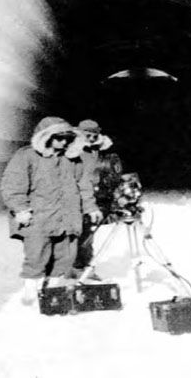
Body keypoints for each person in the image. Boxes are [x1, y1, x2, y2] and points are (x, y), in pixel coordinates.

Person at [1, 116, 103, 304]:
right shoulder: (27, 156)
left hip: (68, 218)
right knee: (37, 258)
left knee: (65, 258)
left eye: (67, 138)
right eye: (58, 137)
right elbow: (12, 185)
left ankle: (55, 296)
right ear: (46, 137)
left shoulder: (73, 160)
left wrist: (90, 207)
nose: (63, 142)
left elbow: (83, 185)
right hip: (39, 219)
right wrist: (20, 209)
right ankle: (31, 296)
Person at [70, 119, 122, 279]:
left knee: (88, 234)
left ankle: (84, 267)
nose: (91, 139)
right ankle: (72, 267)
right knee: (75, 234)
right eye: (87, 135)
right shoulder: (74, 151)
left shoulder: (101, 152)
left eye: (94, 136)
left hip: (94, 196)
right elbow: (79, 178)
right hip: (76, 197)